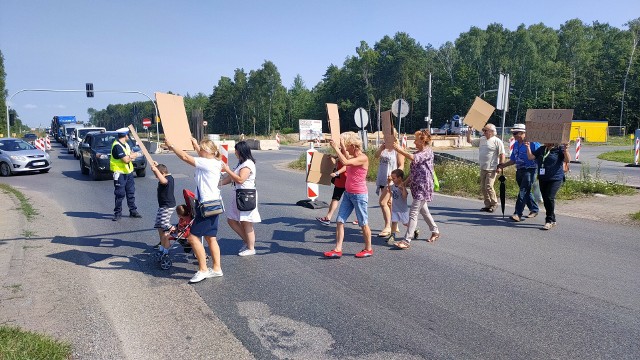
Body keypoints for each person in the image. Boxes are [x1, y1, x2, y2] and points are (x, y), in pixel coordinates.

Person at [166, 137, 224, 283]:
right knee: (211, 238)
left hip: (205, 204)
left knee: (192, 237)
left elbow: (185, 157)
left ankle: (203, 269)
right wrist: (196, 145)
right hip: (214, 204)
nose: (199, 152)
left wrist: (172, 145)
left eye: (201, 150)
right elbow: (201, 156)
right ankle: (216, 269)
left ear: (207, 151)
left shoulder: (206, 163)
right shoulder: (216, 162)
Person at [324, 132, 373, 258]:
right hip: (348, 194)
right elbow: (345, 157)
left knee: (363, 223)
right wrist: (340, 143)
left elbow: (345, 161)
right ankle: (337, 249)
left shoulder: (363, 158)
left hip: (359, 195)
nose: (345, 148)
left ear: (353, 146)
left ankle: (368, 249)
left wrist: (335, 147)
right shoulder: (352, 157)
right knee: (340, 220)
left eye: (346, 145)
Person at [392, 130, 439, 249]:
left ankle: (406, 240)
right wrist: (404, 183)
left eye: (416, 140)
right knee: (424, 211)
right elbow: (414, 173)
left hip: (423, 188)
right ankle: (435, 230)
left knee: (413, 212)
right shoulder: (419, 152)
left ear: (423, 141)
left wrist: (398, 149)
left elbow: (413, 158)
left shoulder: (427, 152)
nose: (414, 142)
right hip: (416, 187)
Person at [220, 141, 261, 256]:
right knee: (231, 220)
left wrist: (227, 170)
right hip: (238, 195)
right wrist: (219, 183)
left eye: (236, 150)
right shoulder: (240, 163)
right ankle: (247, 242)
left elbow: (240, 179)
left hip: (246, 195)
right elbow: (231, 178)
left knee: (246, 222)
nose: (235, 152)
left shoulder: (248, 164)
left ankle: (251, 248)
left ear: (241, 151)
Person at [497, 124, 541, 222]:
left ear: (524, 133)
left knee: (523, 191)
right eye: (513, 133)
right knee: (526, 191)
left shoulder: (533, 143)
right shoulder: (516, 144)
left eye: (516, 133)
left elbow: (540, 157)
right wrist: (503, 165)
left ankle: (518, 213)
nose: (514, 135)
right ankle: (534, 209)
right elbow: (513, 159)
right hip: (520, 170)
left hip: (530, 170)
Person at [526, 142, 571, 230]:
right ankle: (553, 219)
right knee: (546, 199)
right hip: (543, 178)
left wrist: (565, 150)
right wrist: (528, 147)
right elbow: (531, 157)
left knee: (550, 197)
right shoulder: (542, 149)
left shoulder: (559, 149)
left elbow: (567, 160)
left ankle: (548, 221)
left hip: (556, 178)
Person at [374, 130, 405, 237]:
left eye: (387, 136)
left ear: (393, 136)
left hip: (392, 180)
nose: (385, 138)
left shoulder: (398, 149)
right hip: (383, 178)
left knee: (383, 202)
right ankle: (395, 225)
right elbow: (376, 156)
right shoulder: (384, 147)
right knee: (389, 203)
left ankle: (388, 226)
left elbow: (401, 166)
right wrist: (381, 149)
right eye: (384, 136)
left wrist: (394, 176)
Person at [110, 128, 142, 221]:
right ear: (125, 135)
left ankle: (133, 211)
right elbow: (126, 160)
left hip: (128, 172)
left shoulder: (126, 145)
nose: (128, 136)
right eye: (128, 135)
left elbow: (130, 156)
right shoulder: (117, 146)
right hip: (120, 174)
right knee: (120, 194)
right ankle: (117, 213)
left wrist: (132, 156)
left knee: (131, 192)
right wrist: (134, 155)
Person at [478, 124, 505, 212]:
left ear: (492, 132)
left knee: (489, 186)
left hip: (492, 168)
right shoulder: (482, 139)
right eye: (483, 130)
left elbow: (502, 154)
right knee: (483, 187)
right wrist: (469, 132)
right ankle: (487, 204)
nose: (484, 132)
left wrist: (500, 166)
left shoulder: (497, 141)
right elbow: (469, 141)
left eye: (486, 130)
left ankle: (494, 203)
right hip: (483, 167)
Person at [150, 163, 176, 258]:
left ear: (162, 173)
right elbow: (161, 173)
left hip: (167, 206)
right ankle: (162, 243)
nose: (156, 177)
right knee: (159, 224)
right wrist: (156, 166)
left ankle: (166, 247)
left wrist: (156, 170)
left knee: (165, 226)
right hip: (163, 206)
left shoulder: (168, 179)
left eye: (157, 175)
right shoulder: (166, 175)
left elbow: (163, 181)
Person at [315, 157, 347, 226]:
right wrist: (333, 156)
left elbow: (346, 165)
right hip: (340, 180)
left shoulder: (347, 151)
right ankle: (328, 218)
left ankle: (359, 219)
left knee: (353, 200)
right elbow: (340, 158)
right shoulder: (343, 150)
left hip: (346, 179)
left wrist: (337, 173)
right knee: (335, 199)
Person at [387, 169, 410, 245]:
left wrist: (403, 189)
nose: (392, 180)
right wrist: (388, 182)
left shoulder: (402, 186)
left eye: (394, 178)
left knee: (406, 223)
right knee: (394, 222)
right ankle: (392, 235)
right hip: (395, 208)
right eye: (392, 178)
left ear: (399, 178)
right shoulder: (393, 185)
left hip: (402, 210)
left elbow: (404, 196)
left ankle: (415, 229)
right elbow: (390, 190)